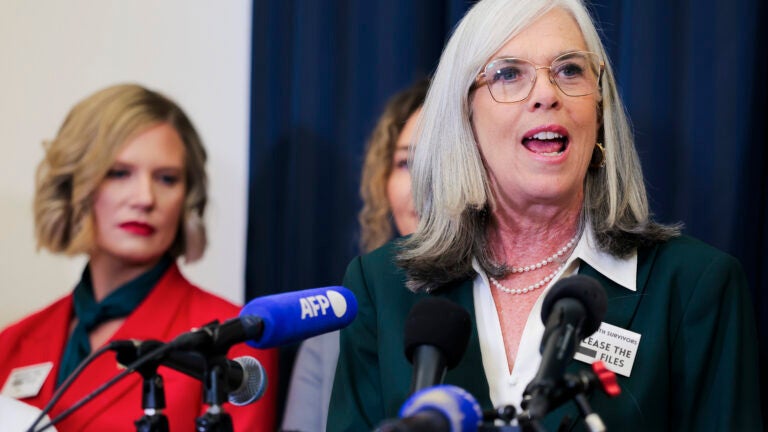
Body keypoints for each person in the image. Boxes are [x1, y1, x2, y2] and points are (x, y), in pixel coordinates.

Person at [328, 1, 763, 431]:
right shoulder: (381, 287)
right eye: (509, 74)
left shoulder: (694, 286)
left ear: (600, 109)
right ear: (465, 115)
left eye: (569, 70)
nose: (546, 94)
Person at [0, 83, 278, 431]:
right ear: (74, 185)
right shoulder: (11, 344)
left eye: (167, 178)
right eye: (119, 173)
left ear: (188, 197)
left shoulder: (235, 339)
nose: (145, 198)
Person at [281, 79, 428, 432]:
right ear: (382, 182)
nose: (424, 183)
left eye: (442, 159)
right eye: (406, 163)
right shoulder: (331, 330)